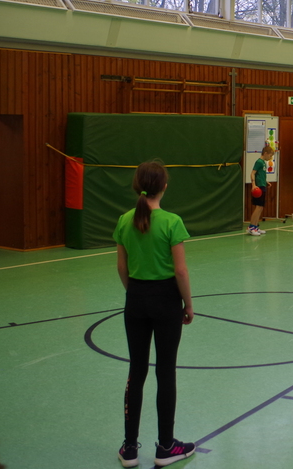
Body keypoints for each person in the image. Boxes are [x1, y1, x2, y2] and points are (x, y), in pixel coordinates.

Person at [113, 161, 196, 468]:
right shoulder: (172, 222)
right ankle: (166, 446)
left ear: (137, 185)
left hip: (135, 298)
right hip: (166, 301)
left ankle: (129, 448)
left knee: (136, 372)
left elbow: (122, 267)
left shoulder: (124, 220)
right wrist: (188, 304)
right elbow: (181, 271)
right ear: (164, 187)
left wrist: (135, 293)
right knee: (165, 371)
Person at [248, 144, 274, 236]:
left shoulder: (263, 163)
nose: (270, 158)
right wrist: (253, 185)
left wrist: (266, 182)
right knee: (258, 207)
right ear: (265, 153)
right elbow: (253, 173)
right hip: (258, 187)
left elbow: (260, 175)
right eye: (270, 155)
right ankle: (251, 227)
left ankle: (255, 226)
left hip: (263, 186)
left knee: (261, 207)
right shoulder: (259, 162)